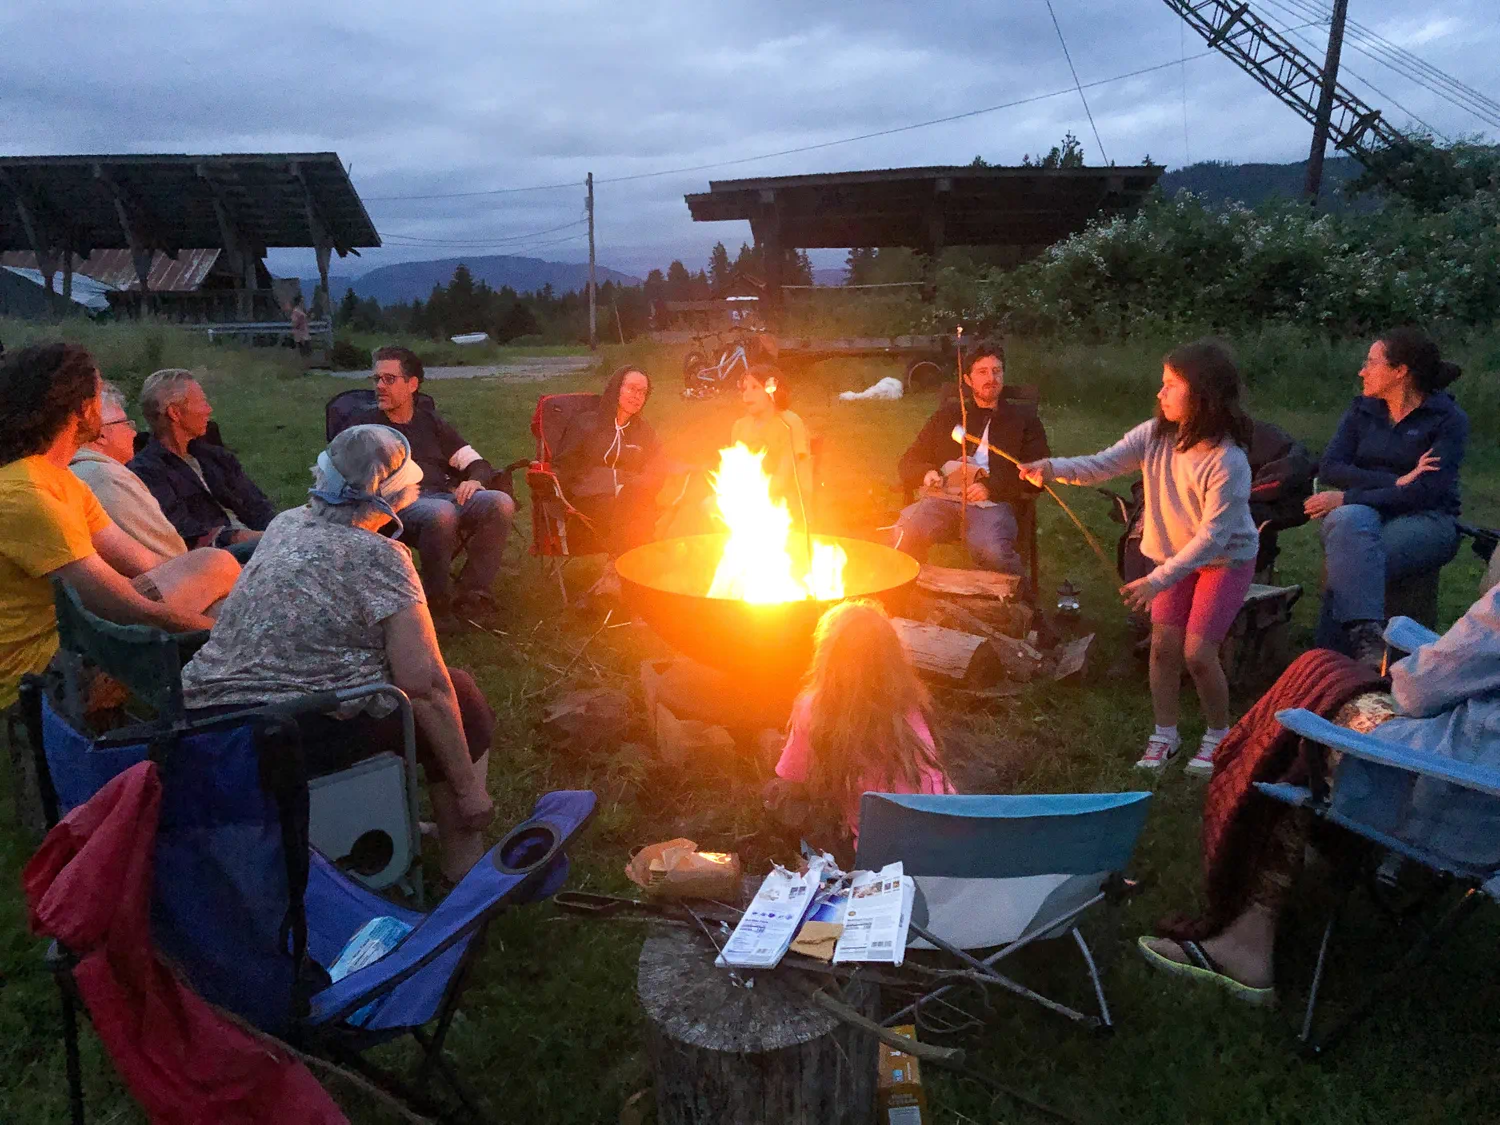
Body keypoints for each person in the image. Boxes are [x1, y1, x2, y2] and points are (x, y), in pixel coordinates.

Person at [1138, 571, 1500, 1005]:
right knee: (1326, 672)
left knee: (1301, 719)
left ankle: (1247, 941)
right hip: (1482, 800)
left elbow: (1415, 691)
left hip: (1451, 797)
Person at [180, 424, 496, 883]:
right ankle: (464, 861)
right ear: (397, 493)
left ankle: (396, 819)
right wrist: (472, 793)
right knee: (459, 693)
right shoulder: (383, 557)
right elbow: (422, 685)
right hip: (284, 738)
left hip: (210, 726)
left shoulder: (287, 522)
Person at [1019, 340, 1259, 775]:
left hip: (1224, 561)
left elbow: (1211, 538)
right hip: (1172, 560)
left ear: (1200, 394)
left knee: (1199, 654)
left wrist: (1155, 580)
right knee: (1163, 649)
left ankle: (1218, 735)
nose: (1160, 393)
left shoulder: (1228, 460)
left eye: (1170, 385)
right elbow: (1101, 464)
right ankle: (1165, 734)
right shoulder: (1154, 437)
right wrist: (1052, 467)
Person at [0, 343, 228, 711]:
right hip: (45, 676)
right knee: (215, 572)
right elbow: (127, 609)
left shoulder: (61, 481)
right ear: (78, 407)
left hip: (72, 640)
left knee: (213, 568)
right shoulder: (26, 495)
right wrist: (231, 635)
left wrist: (221, 604)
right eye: (98, 390)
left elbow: (149, 566)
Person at [1306, 328, 1467, 664]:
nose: (1362, 371)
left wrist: (1351, 496)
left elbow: (1426, 491)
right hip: (1367, 512)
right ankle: (1367, 639)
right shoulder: (1362, 410)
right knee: (1350, 527)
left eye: (1371, 363)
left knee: (1354, 556)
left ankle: (1328, 662)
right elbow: (1332, 467)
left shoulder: (1446, 420)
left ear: (1400, 371)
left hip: (1428, 518)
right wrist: (1396, 481)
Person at [768, 599, 955, 849]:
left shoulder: (813, 706)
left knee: (778, 793)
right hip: (946, 827)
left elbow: (794, 778)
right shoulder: (912, 701)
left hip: (882, 851)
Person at [351, 345, 515, 631]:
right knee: (441, 513)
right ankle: (436, 607)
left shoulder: (430, 422)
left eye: (389, 379)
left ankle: (472, 595)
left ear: (412, 384)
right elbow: (352, 478)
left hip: (441, 496)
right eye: (376, 379)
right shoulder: (366, 427)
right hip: (393, 507)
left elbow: (476, 462)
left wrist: (474, 479)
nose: (379, 386)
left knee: (499, 502)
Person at [893, 341, 1049, 577]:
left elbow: (1039, 471)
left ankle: (1019, 605)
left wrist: (991, 487)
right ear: (968, 379)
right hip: (943, 500)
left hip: (992, 503)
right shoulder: (948, 416)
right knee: (902, 533)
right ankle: (908, 597)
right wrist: (927, 473)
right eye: (982, 372)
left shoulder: (1023, 421)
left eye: (997, 371)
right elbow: (909, 461)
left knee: (992, 552)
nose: (991, 378)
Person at [129, 368, 275, 560]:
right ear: (174, 413)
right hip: (215, 558)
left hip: (259, 539)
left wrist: (280, 528)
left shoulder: (213, 456)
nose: (209, 410)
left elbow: (257, 504)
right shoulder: (147, 471)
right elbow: (185, 532)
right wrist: (255, 538)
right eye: (202, 402)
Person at [556, 365, 665, 593]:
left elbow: (656, 468)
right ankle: (633, 584)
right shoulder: (586, 423)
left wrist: (635, 484)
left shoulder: (644, 432)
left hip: (630, 502)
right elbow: (566, 467)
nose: (637, 396)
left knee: (637, 509)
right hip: (587, 501)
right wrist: (614, 480)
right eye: (632, 389)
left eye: (643, 392)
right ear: (617, 388)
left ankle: (617, 579)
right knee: (640, 516)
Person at [729, 364, 813, 524]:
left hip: (788, 501)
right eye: (744, 388)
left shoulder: (789, 423)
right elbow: (735, 472)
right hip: (750, 497)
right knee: (710, 505)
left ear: (772, 391)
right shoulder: (739, 426)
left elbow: (784, 477)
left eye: (755, 387)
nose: (747, 394)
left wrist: (751, 497)